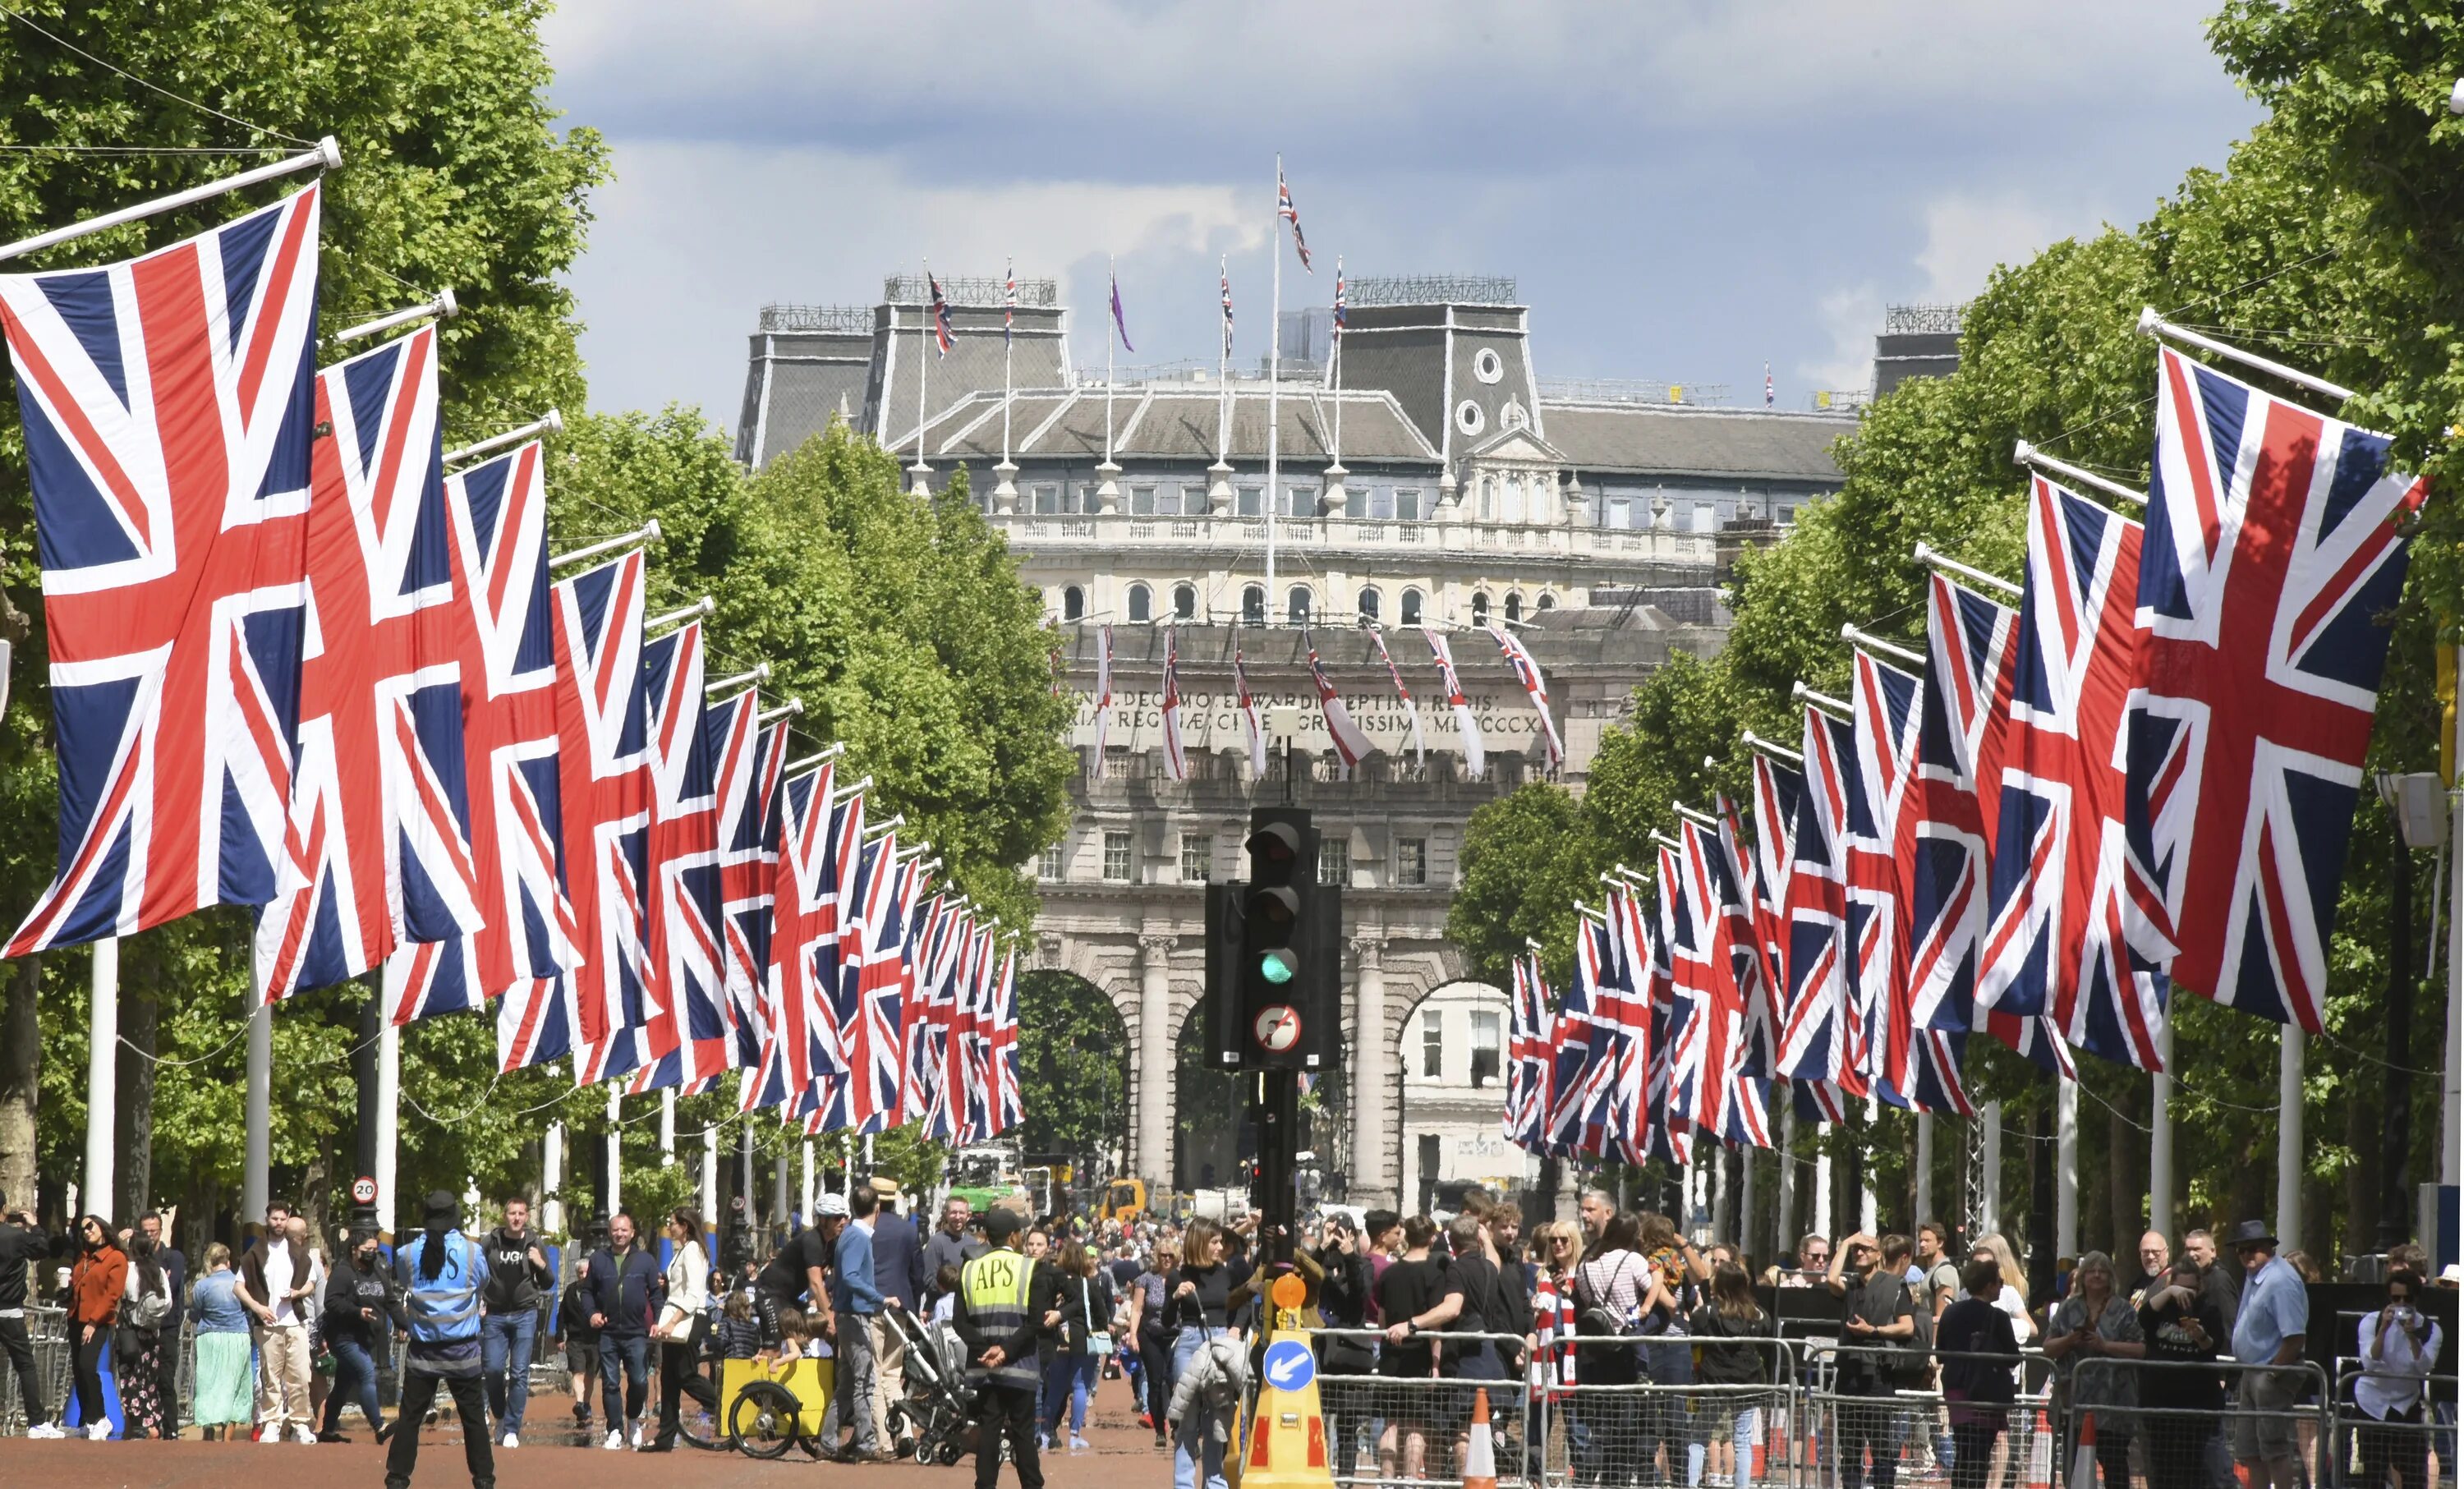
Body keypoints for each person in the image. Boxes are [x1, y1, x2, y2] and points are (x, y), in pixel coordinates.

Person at [385, 1191, 494, 1489]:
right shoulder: (473, 1252)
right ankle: (483, 1478)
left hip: (423, 1349)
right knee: (473, 1418)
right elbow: (482, 1283)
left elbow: (407, 1283)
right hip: (463, 1350)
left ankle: (397, 1477)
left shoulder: (407, 1254)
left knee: (411, 1417)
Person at [955, 1208, 1045, 1489]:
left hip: (984, 1365)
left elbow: (960, 1321)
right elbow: (1036, 1321)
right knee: (1023, 1432)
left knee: (989, 1428)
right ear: (1013, 1236)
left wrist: (987, 1349)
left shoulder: (970, 1269)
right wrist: (1005, 1351)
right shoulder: (1030, 1268)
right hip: (1020, 1363)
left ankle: (985, 1485)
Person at [2043, 1249, 2145, 1489]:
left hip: (2114, 1403)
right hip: (2075, 1402)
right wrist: (2070, 1340)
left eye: (2102, 1271)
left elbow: (2140, 1349)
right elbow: (2048, 1348)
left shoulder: (2124, 1309)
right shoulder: (2068, 1308)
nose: (2097, 1275)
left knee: (2115, 1465)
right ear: (2083, 1276)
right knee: (2072, 1465)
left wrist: (2105, 1345)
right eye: (2091, 1271)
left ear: (2110, 1276)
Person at [1832, 1231, 1917, 1489]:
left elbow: (1907, 1327)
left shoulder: (1894, 1286)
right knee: (1850, 1448)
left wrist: (1874, 1331)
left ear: (1879, 1255)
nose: (1860, 1253)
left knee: (1881, 1448)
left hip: (1878, 1375)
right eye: (1856, 1250)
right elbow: (1830, 1278)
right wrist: (1846, 1242)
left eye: (1866, 1249)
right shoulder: (1851, 1286)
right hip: (1848, 1374)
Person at [2225, 1220, 2306, 1489]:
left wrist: (2274, 1372)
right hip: (2253, 1371)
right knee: (2250, 1450)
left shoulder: (2281, 1280)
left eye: (2253, 1248)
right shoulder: (2254, 1275)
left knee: (2274, 1448)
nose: (2247, 1255)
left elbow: (2294, 1337)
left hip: (2272, 1372)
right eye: (2241, 1250)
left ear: (2269, 1247)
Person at [2138, 1257, 2229, 1489]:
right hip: (2158, 1402)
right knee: (2162, 1466)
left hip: (2197, 1403)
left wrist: (2199, 1335)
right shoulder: (2163, 1306)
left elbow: (2213, 1345)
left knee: (2193, 1468)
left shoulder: (2209, 1308)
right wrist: (2170, 1293)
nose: (2186, 1293)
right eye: (2181, 1288)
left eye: (2191, 1288)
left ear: (2200, 1287)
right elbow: (2143, 1318)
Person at [1169, 1219, 1243, 1489]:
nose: (1219, 1247)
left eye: (1221, 1242)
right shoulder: (1178, 1275)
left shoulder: (1228, 1273)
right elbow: (1167, 1320)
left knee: (1218, 1420)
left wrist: (1236, 1328)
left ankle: (1215, 1483)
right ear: (1200, 1242)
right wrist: (1175, 1296)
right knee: (1187, 1422)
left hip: (1220, 1343)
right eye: (1214, 1242)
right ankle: (1183, 1485)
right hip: (1189, 1341)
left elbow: (1245, 1301)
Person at [238, 1198, 320, 1443]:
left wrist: (298, 1293)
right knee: (270, 1378)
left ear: (288, 1219)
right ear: (268, 1219)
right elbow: (238, 1286)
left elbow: (312, 1281)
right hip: (268, 1325)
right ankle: (271, 1423)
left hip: (295, 1323)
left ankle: (300, 1424)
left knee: (300, 1377)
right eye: (275, 1218)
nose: (279, 1223)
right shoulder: (256, 1253)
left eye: (283, 1218)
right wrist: (258, 1307)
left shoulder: (297, 1252)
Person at [2356, 1266, 2443, 1489]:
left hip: (2406, 1402)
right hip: (2372, 1402)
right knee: (2372, 1470)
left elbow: (2424, 1367)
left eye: (2408, 1299)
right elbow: (2369, 1362)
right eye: (2396, 1298)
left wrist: (2413, 1337)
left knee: (2413, 1470)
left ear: (2416, 1299)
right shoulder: (2370, 1322)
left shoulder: (2431, 1330)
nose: (2401, 1305)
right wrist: (2383, 1330)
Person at [477, 1195, 554, 1449]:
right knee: (493, 1370)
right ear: (505, 1216)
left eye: (521, 1214)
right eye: (512, 1213)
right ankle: (500, 1414)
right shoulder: (490, 1242)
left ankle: (511, 1429)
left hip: (524, 1314)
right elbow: (476, 1274)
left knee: (520, 1372)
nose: (517, 1218)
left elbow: (548, 1281)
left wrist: (540, 1264)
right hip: (495, 1315)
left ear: (527, 1217)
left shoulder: (534, 1243)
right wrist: (478, 1300)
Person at [585, 1208, 664, 1450]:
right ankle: (615, 1430)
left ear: (632, 1233)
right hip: (608, 1331)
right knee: (610, 1382)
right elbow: (587, 1291)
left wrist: (658, 1321)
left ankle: (633, 1420)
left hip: (636, 1331)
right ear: (610, 1233)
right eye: (615, 1230)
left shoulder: (645, 1260)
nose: (619, 1234)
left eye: (624, 1230)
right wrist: (592, 1314)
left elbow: (656, 1295)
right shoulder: (598, 1259)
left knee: (639, 1380)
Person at [1939, 1259, 2022, 1489]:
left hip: (1955, 1389)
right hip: (1985, 1393)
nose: (2001, 1286)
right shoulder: (1999, 1317)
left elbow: (1941, 1352)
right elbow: (2013, 1357)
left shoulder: (1950, 1312)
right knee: (1980, 1455)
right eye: (1999, 1281)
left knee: (1963, 1451)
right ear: (1987, 1285)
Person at [1694, 1258, 1777, 1489]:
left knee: (1699, 1436)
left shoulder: (1708, 1312)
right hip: (1747, 1382)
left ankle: (1690, 1484)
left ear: (1718, 1286)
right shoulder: (1757, 1314)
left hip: (1714, 1383)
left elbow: (1694, 1326)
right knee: (1742, 1440)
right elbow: (1766, 1334)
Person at [318, 1229, 402, 1442]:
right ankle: (379, 1426)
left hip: (365, 1338)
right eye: (367, 1250)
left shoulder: (379, 1272)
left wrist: (403, 1324)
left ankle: (327, 1430)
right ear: (355, 1250)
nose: (372, 1253)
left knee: (343, 1385)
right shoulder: (343, 1273)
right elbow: (331, 1302)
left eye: (375, 1249)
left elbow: (391, 1301)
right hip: (343, 1337)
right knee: (367, 1372)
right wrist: (357, 1311)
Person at [822, 1188, 887, 1462]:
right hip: (854, 1316)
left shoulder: (850, 1235)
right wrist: (878, 1297)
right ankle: (867, 1443)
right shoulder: (858, 1237)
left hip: (849, 1315)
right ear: (877, 1208)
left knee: (848, 1385)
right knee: (865, 1382)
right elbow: (849, 1276)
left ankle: (827, 1443)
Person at [648, 1208, 715, 1453]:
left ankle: (724, 1407)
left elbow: (694, 1293)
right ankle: (665, 1437)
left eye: (673, 1223)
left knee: (686, 1374)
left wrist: (672, 1322)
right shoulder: (684, 1251)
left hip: (689, 1319)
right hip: (679, 1318)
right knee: (669, 1379)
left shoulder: (693, 1251)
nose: (670, 1227)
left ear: (685, 1226)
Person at [870, 1179, 927, 1451]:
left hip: (869, 1307)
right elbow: (918, 1274)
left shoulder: (862, 1229)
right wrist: (911, 1306)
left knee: (873, 1375)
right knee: (892, 1375)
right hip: (900, 1306)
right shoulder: (907, 1230)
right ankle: (905, 1433)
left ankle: (884, 1441)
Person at [1042, 1241, 1115, 1454]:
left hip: (1058, 1338)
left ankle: (1046, 1432)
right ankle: (1074, 1435)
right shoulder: (1089, 1284)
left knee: (1055, 1387)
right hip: (1083, 1338)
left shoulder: (1055, 1282)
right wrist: (1103, 1328)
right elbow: (1101, 1314)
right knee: (1080, 1386)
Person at [188, 1243, 255, 1441]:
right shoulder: (239, 1281)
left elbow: (195, 1314)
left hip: (210, 1338)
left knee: (208, 1385)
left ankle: (208, 1428)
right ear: (228, 1260)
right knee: (234, 1384)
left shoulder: (202, 1285)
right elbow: (248, 1308)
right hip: (237, 1336)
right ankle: (228, 1435)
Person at [66, 1215, 124, 1440]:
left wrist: (92, 1322)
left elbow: (112, 1295)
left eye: (90, 1226)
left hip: (98, 1321)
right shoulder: (84, 1257)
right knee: (79, 1370)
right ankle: (87, 1420)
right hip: (75, 1317)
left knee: (88, 1365)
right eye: (83, 1229)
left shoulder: (115, 1258)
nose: (87, 1231)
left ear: (102, 1227)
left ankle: (101, 1418)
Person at [116, 1231, 174, 1439]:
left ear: (132, 1249)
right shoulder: (158, 1271)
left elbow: (120, 1293)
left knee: (130, 1379)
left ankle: (147, 1425)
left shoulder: (128, 1269)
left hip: (130, 1331)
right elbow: (167, 1302)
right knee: (149, 1381)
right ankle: (150, 1421)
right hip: (151, 1333)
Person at [134, 1211, 186, 1439]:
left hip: (167, 1325)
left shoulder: (174, 1257)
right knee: (141, 1377)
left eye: (153, 1231)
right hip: (141, 1326)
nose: (150, 1236)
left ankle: (171, 1427)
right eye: (145, 1232)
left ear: (160, 1231)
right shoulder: (134, 1259)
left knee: (165, 1377)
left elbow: (166, 1289)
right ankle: (145, 1424)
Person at [1128, 1239, 1177, 1447]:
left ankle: (1178, 1425)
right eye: (1163, 1255)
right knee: (1156, 1382)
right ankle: (1160, 1428)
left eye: (1170, 1255)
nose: (1166, 1259)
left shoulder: (1181, 1278)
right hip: (1151, 1335)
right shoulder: (1146, 1279)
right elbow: (1137, 1309)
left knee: (1175, 1381)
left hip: (1176, 1336)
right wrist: (1132, 1335)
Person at [554, 1256, 600, 1436]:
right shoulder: (571, 1291)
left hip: (595, 1339)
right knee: (578, 1371)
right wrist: (559, 1337)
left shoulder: (599, 1291)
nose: (583, 1275)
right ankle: (579, 1403)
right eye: (580, 1272)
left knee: (590, 1374)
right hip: (575, 1339)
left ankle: (586, 1403)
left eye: (586, 1272)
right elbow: (562, 1315)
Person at [925, 1196, 986, 1305]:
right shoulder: (936, 1243)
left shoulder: (974, 1244)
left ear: (968, 1216)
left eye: (962, 1213)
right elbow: (929, 1280)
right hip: (940, 1309)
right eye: (953, 1212)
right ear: (946, 1215)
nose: (958, 1217)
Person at [2181, 1228, 2241, 1331]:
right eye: (2188, 1249)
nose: (2191, 1254)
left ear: (2213, 1252)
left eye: (2197, 1249)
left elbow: (2229, 1324)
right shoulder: (2199, 1276)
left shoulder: (2219, 1279)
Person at [2130, 1232, 2172, 1306]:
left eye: (2156, 1252)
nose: (2150, 1257)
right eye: (2145, 1252)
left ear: (2166, 1253)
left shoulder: (2174, 1280)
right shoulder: (2138, 1281)